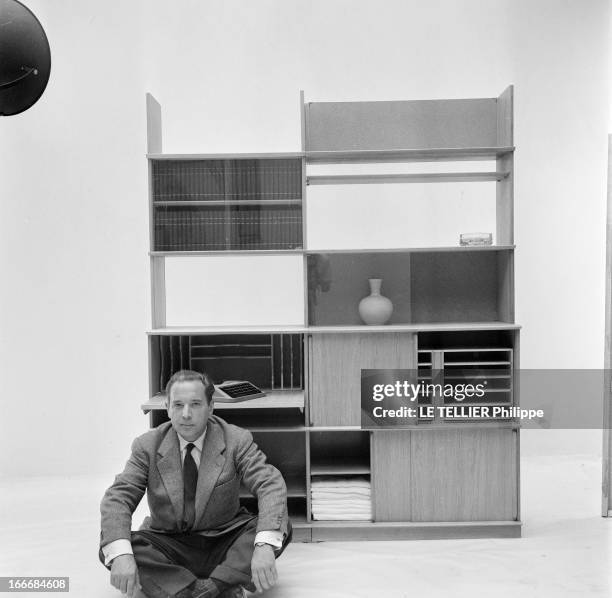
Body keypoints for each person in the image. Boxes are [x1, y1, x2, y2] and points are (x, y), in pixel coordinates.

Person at [99, 369, 291, 598]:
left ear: (211, 407)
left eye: (196, 404)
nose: (186, 414)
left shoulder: (236, 440)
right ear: (168, 407)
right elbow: (118, 497)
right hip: (170, 542)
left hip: (224, 538)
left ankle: (199, 588)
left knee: (278, 526)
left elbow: (269, 484)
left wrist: (262, 547)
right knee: (115, 544)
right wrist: (122, 556)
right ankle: (216, 588)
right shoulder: (147, 446)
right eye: (178, 405)